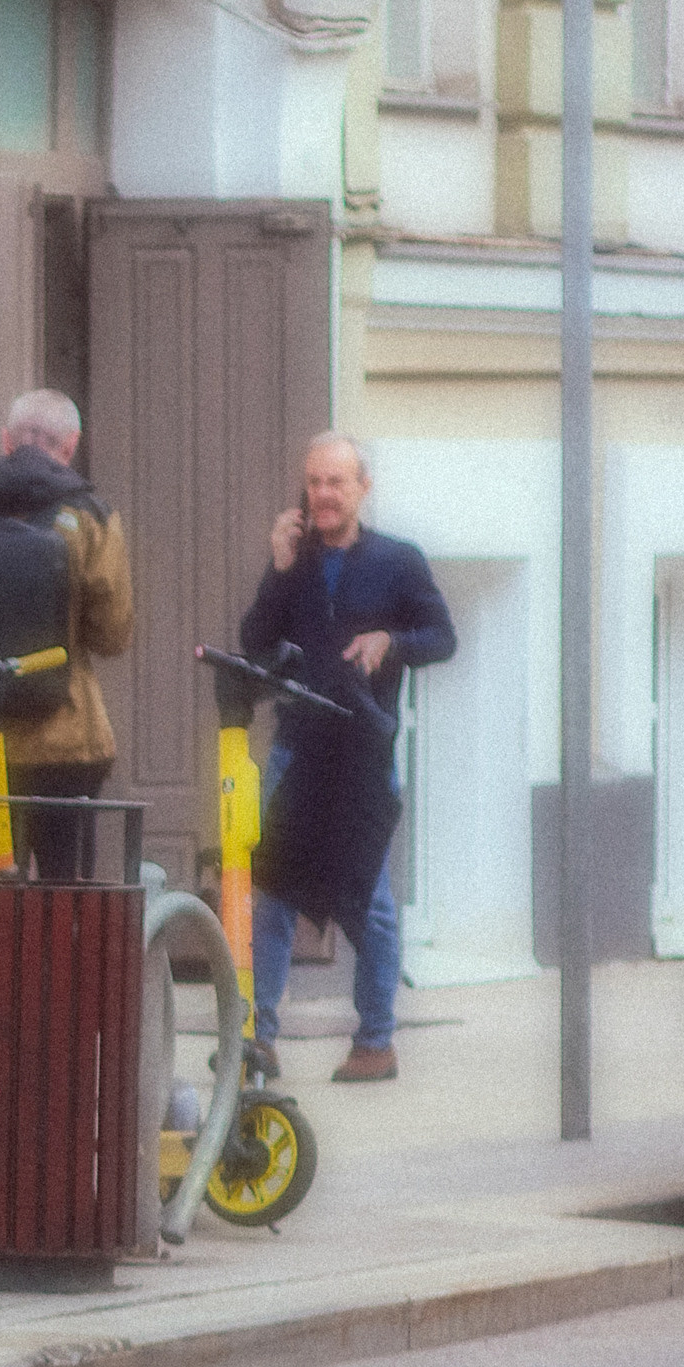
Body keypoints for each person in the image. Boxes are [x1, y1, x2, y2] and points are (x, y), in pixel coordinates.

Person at [239, 433, 455, 1086]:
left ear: (362, 487)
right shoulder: (294, 561)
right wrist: (276, 569)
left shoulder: (398, 560)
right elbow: (254, 644)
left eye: (335, 482)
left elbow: (442, 638)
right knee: (272, 896)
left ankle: (375, 1042)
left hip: (361, 756)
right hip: (294, 752)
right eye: (313, 483)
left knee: (367, 901)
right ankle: (260, 1042)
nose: (323, 495)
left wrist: (390, 639)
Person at [0, 390, 134, 886]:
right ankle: (59, 965)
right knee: (64, 893)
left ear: (6, 439)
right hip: (67, 745)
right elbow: (113, 632)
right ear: (71, 445)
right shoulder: (91, 517)